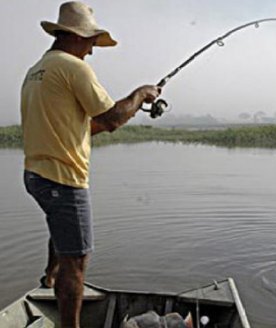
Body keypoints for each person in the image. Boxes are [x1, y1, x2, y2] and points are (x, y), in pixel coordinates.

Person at [21, 2, 160, 327]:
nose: (92, 51)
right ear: (73, 36)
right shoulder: (73, 67)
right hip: (63, 178)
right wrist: (140, 95)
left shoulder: (36, 70)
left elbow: (86, 126)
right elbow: (111, 118)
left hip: (35, 175)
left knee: (61, 227)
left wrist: (130, 107)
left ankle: (50, 277)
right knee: (78, 258)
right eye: (90, 41)